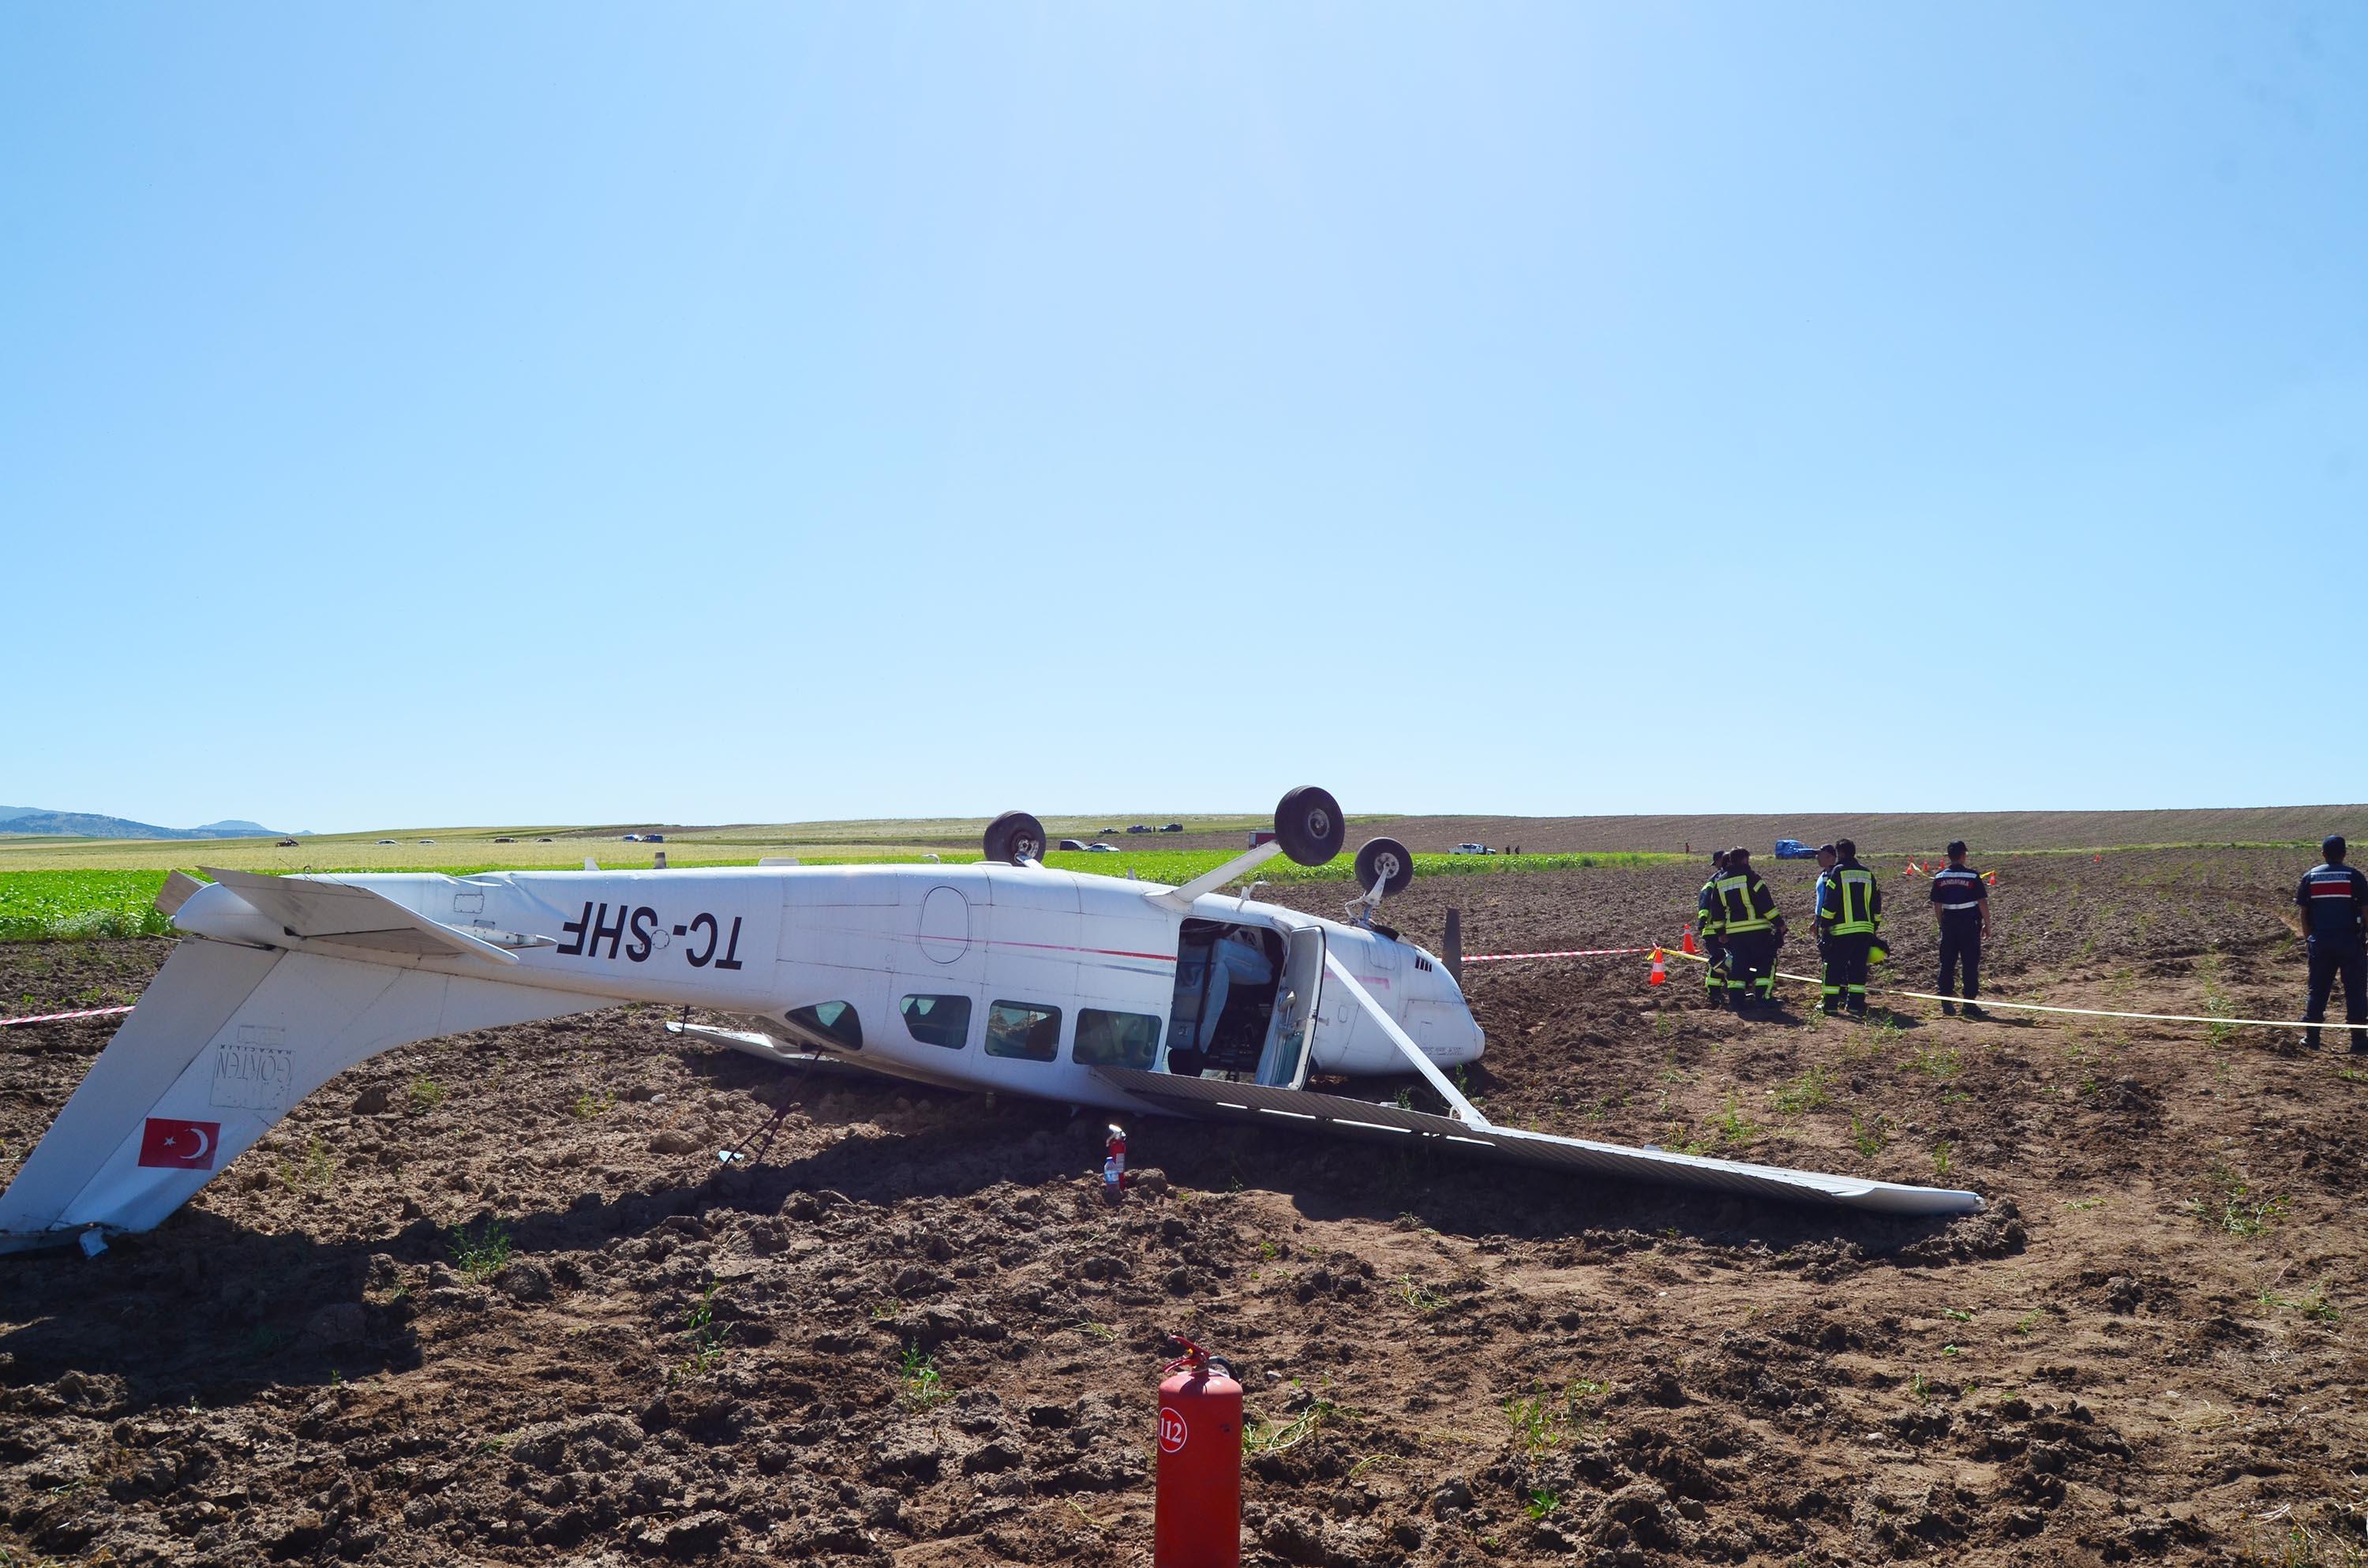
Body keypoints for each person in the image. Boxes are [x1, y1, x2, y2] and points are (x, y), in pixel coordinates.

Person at [2295, 836, 2368, 1052]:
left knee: (2317, 990)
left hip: (2321, 942)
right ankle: (2359, 1041)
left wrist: (2309, 939)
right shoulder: (2355, 877)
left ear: (2323, 854)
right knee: (2356, 990)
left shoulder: (2311, 877)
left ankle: (2313, 1038)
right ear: (2345, 853)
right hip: (2351, 943)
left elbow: (2304, 914)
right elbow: (2366, 913)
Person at [1699, 847, 1785, 1012]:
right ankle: (1763, 998)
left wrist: (1721, 933)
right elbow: (1767, 905)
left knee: (1738, 966)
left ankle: (1737, 1001)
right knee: (1766, 962)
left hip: (1735, 934)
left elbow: (1716, 911)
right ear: (1745, 860)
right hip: (1758, 930)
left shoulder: (1720, 882)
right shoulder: (1752, 878)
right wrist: (1779, 924)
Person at [1816, 838, 1882, 1016]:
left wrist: (1825, 925)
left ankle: (1829, 1005)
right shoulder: (1868, 873)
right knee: (1858, 969)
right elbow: (1876, 903)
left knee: (1834, 967)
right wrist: (1874, 926)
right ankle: (1855, 1005)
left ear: (1841, 853)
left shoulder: (1838, 872)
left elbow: (1831, 902)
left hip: (1842, 931)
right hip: (1865, 930)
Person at [1930, 840, 1991, 1018]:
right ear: (1964, 855)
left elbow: (1937, 905)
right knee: (1970, 964)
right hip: (1969, 925)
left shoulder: (1940, 877)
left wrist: (1942, 924)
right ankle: (1969, 1005)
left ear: (1949, 856)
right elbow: (1982, 902)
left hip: (1949, 924)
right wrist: (1988, 923)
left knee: (1947, 963)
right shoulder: (1972, 876)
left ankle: (1946, 1004)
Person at [1698, 850, 1731, 1007]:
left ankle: (1724, 991)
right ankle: (1714, 992)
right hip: (1715, 930)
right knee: (1721, 961)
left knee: (1727, 962)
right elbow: (1705, 903)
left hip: (1722, 929)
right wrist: (1702, 920)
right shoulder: (1717, 880)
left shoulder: (1723, 879)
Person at [1810, 844, 1838, 971]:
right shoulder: (1822, 875)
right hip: (1822, 920)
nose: (1817, 857)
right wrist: (1816, 921)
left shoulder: (1835, 874)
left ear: (1830, 857)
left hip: (1831, 922)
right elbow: (1821, 901)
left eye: (1820, 855)